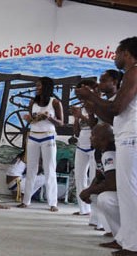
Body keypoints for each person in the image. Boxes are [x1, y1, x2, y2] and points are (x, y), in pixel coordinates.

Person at [76, 36, 137, 256]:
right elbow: (112, 117)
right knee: (127, 193)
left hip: (132, 138)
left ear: (127, 54)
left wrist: (92, 95)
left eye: (117, 53)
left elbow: (117, 108)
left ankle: (133, 245)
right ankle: (126, 240)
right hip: (126, 135)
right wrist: (91, 103)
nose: (114, 57)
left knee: (129, 193)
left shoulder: (133, 72)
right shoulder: (131, 75)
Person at [19, 77, 63, 212]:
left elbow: (61, 122)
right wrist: (28, 118)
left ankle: (53, 203)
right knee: (31, 169)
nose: (37, 88)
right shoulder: (33, 102)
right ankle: (26, 201)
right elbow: (32, 121)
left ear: (47, 87)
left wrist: (49, 118)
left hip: (48, 137)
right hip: (33, 137)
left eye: (39, 86)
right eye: (36, 86)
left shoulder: (55, 102)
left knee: (50, 169)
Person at [78, 123, 120, 250]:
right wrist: (89, 191)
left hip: (126, 193)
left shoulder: (110, 152)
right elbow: (99, 175)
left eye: (93, 135)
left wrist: (88, 191)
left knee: (105, 198)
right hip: (118, 191)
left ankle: (123, 237)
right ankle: (115, 232)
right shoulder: (98, 151)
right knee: (96, 196)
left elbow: (112, 184)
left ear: (104, 139)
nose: (90, 138)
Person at [70, 80, 98, 216]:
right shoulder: (80, 106)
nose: (79, 93)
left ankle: (95, 214)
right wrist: (76, 119)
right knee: (79, 177)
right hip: (81, 145)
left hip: (94, 147)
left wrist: (81, 116)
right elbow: (76, 132)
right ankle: (83, 209)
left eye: (80, 90)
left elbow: (96, 125)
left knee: (93, 178)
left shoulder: (98, 105)